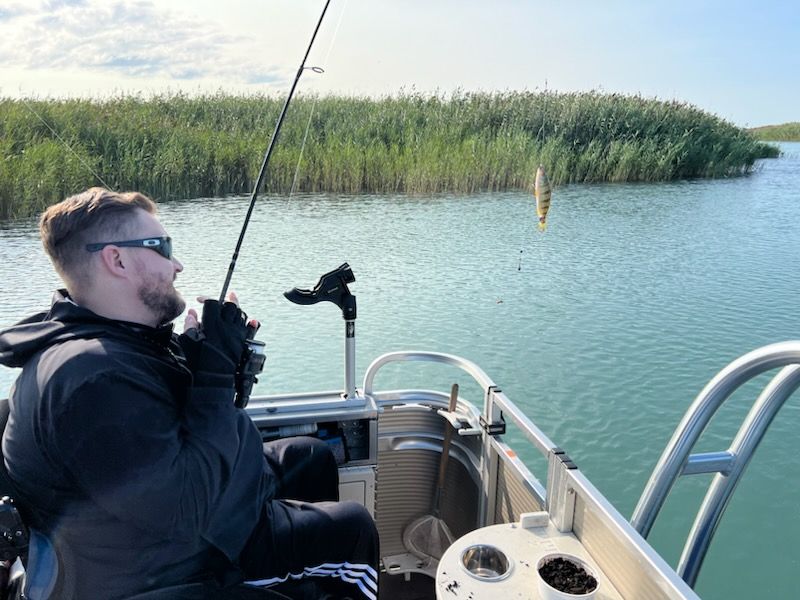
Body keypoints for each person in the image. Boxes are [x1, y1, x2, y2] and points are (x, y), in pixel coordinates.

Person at [0, 188, 379, 600]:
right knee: (353, 530)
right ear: (117, 259)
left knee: (310, 457)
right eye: (163, 247)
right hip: (159, 567)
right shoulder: (92, 379)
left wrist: (199, 364)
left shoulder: (113, 343)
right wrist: (214, 374)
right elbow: (189, 512)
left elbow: (168, 444)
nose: (177, 265)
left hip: (148, 523)